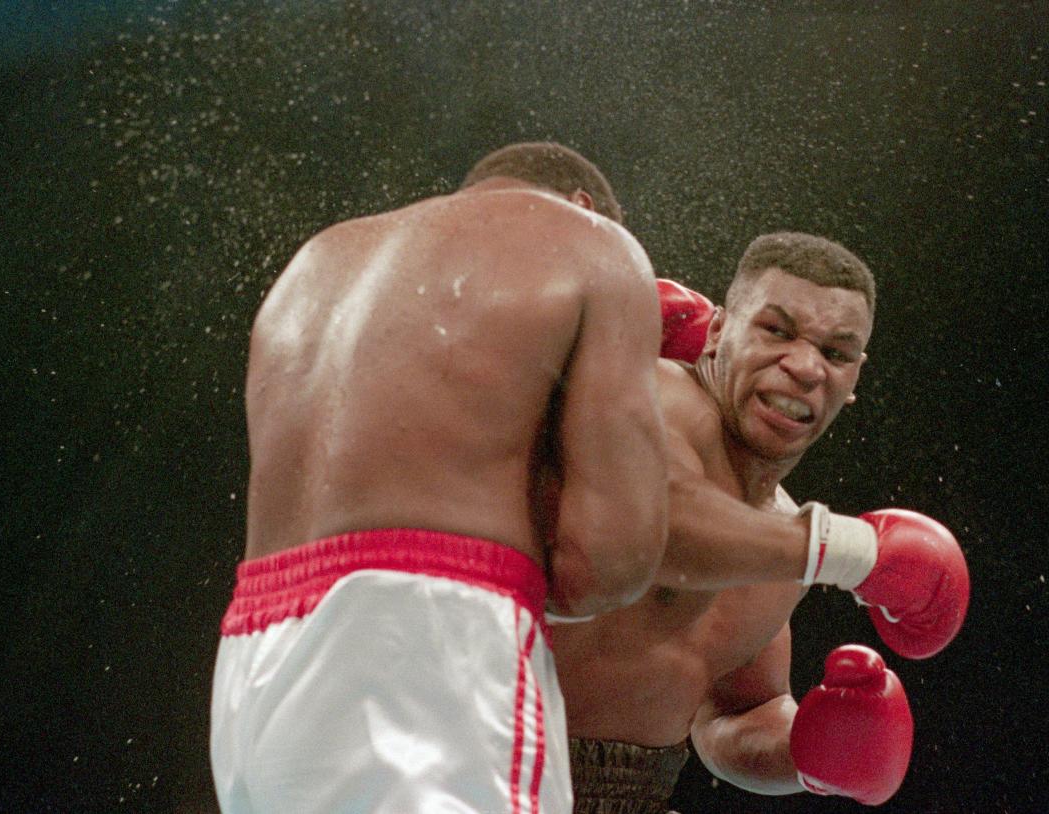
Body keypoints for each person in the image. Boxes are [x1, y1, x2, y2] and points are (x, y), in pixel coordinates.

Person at [209, 142, 670, 814]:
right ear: (586, 206)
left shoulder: (317, 260)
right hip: (427, 643)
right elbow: (609, 563)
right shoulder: (595, 244)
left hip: (255, 659)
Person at [553, 233, 970, 812]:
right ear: (720, 330)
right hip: (463, 772)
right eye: (777, 330)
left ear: (855, 378)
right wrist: (854, 553)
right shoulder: (647, 395)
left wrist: (813, 756)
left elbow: (734, 712)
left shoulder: (781, 540)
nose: (805, 367)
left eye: (836, 352)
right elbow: (655, 528)